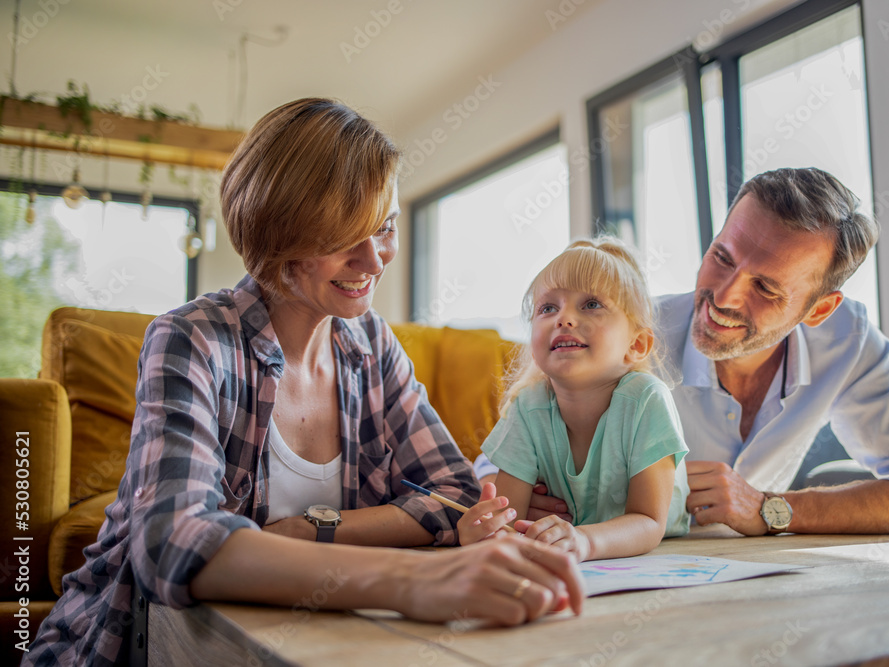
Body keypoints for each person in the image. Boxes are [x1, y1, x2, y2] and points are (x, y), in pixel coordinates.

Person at [24, 98, 583, 666]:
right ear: (277, 235)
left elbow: (452, 497)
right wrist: (411, 579)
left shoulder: (372, 346)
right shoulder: (190, 339)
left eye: (384, 228)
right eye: (344, 236)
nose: (374, 260)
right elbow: (171, 543)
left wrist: (312, 530)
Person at [476, 167, 889, 536]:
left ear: (818, 310)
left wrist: (773, 509)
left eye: (766, 288)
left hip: (748, 576)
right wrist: (527, 500)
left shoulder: (847, 340)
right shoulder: (623, 332)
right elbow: (502, 459)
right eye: (722, 257)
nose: (725, 297)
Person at [459, 238, 690, 562]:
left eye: (591, 304)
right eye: (548, 308)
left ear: (636, 344)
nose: (564, 318)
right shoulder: (527, 408)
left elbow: (649, 522)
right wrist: (484, 533)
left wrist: (583, 541)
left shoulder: (647, 398)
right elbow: (507, 519)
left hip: (666, 549)